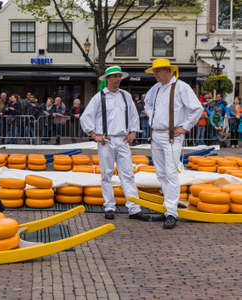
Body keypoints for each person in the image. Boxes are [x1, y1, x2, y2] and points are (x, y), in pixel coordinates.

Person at [80, 65, 150, 221]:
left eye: (119, 76)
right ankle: (109, 206)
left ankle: (134, 208)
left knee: (128, 174)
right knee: (106, 174)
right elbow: (85, 117)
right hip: (106, 140)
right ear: (108, 79)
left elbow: (133, 115)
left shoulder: (125, 96)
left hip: (123, 139)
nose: (118, 79)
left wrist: (133, 131)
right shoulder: (99, 97)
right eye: (115, 77)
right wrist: (93, 134)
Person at [144, 59, 203, 229]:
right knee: (161, 172)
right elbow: (147, 103)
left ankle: (171, 212)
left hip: (171, 136)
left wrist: (184, 127)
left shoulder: (182, 87)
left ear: (167, 71)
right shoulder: (155, 89)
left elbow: (197, 108)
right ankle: (168, 207)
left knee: (170, 172)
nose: (154, 75)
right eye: (154, 72)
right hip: (156, 135)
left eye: (157, 71)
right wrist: (152, 118)